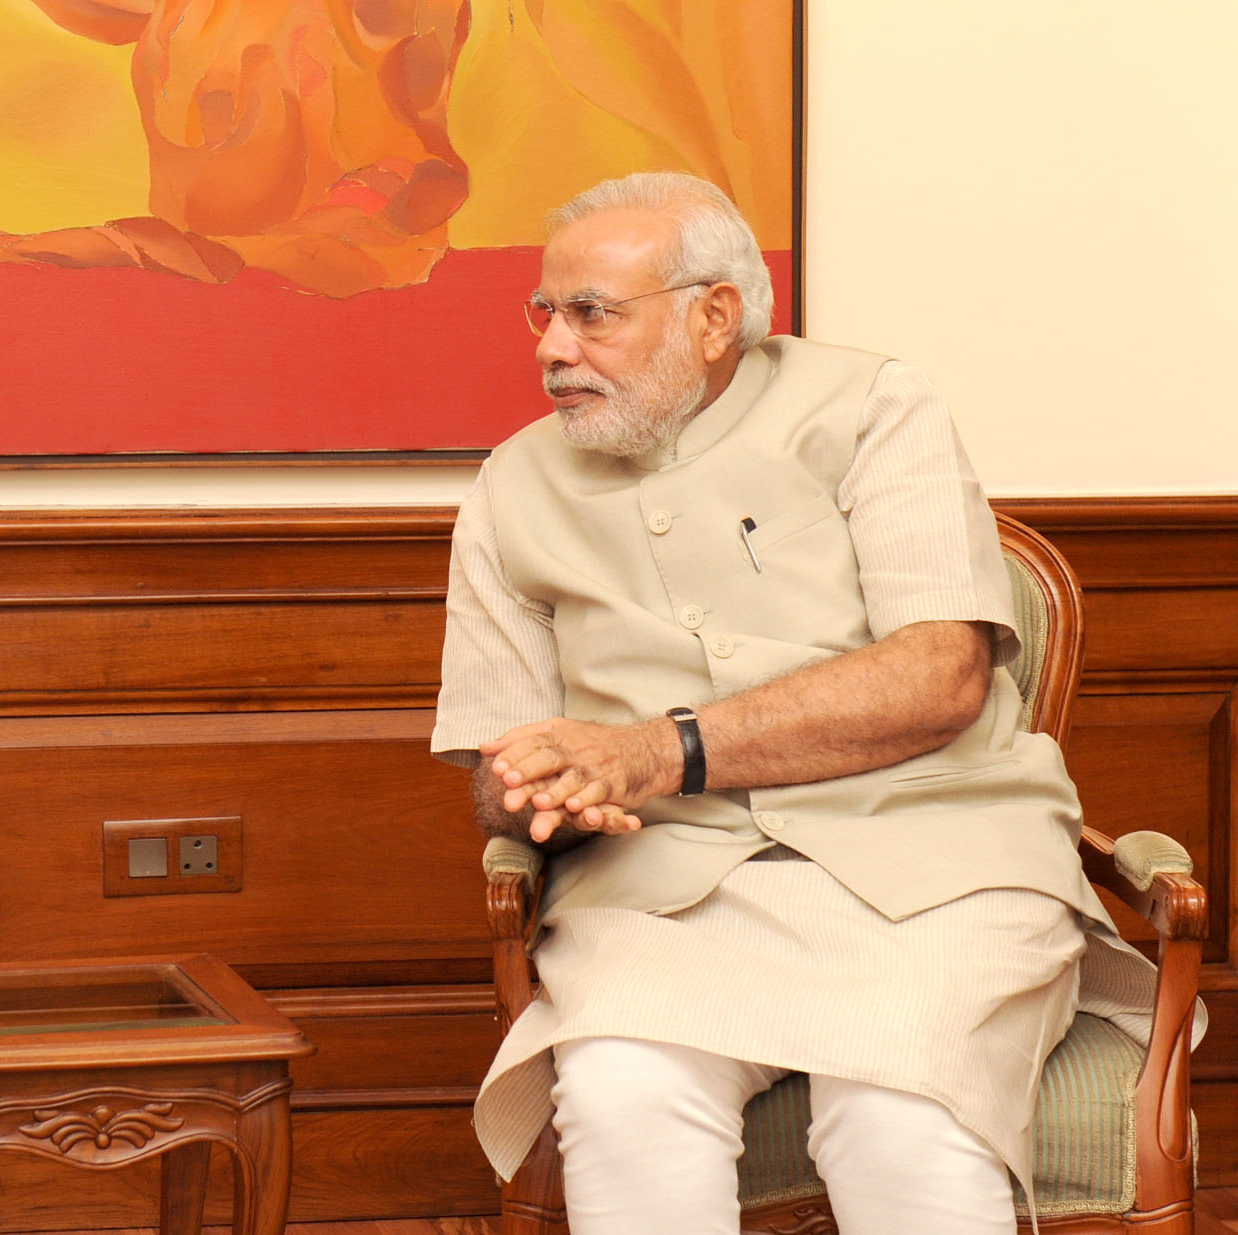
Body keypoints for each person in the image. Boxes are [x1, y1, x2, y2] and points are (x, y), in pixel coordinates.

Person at [430, 171, 1167, 1234]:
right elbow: (498, 776)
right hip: (665, 889)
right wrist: (535, 789)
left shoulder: (872, 406)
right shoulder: (510, 487)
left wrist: (655, 749)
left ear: (713, 315)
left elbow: (940, 674)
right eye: (544, 313)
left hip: (934, 865)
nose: (550, 348)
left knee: (900, 1118)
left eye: (591, 313)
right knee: (622, 1095)